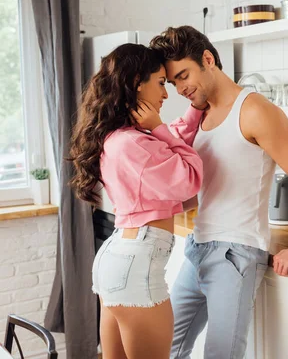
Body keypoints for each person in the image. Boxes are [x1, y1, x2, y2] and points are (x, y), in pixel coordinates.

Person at [149, 26, 288, 359]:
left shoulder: (255, 110)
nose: (180, 88)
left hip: (236, 255)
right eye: (173, 82)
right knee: (167, 350)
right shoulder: (200, 114)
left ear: (208, 59)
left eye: (183, 75)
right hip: (197, 248)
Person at [69, 43, 204, 359]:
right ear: (135, 84)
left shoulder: (122, 137)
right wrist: (159, 127)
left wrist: (195, 108)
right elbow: (189, 176)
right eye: (160, 82)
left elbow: (172, 142)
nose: (166, 94)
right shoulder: (136, 143)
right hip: (136, 265)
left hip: (119, 258)